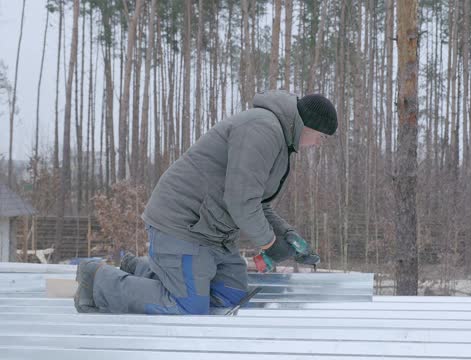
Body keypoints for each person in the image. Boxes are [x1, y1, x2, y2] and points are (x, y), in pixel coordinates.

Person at [74, 90, 338, 314]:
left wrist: (286, 235)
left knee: (232, 295)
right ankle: (97, 279)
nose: (317, 143)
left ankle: (141, 270)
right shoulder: (262, 129)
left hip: (212, 232)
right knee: (187, 306)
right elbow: (241, 202)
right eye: (320, 136)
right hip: (183, 224)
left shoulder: (280, 141)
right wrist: (270, 244)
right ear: (308, 126)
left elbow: (258, 203)